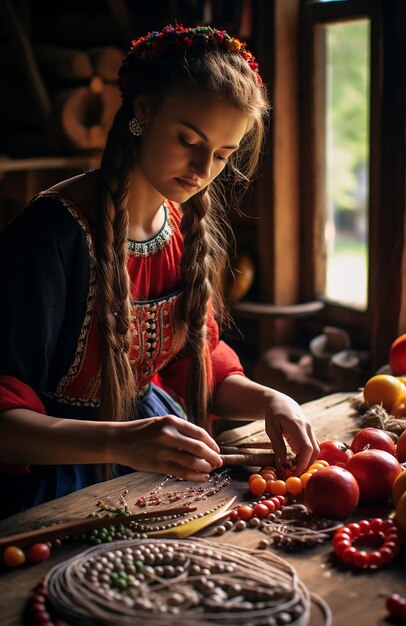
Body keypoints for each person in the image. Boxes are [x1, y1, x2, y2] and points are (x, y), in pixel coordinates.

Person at [0, 24, 319, 519]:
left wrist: (273, 400)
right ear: (144, 112)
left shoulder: (180, 228)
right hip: (57, 469)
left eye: (221, 155)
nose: (201, 168)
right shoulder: (53, 234)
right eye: (188, 139)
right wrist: (120, 441)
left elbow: (192, 362)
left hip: (150, 450)